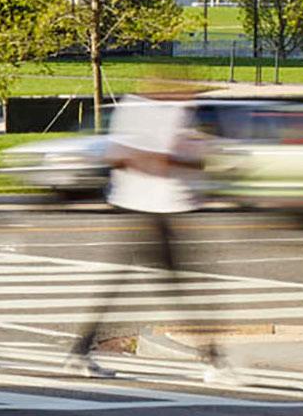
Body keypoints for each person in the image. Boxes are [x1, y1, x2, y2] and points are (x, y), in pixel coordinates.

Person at [66, 79, 220, 381]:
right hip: (155, 211)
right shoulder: (166, 113)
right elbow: (158, 159)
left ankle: (79, 352)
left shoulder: (132, 108)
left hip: (136, 207)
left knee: (121, 288)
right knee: (182, 290)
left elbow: (118, 155)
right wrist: (192, 160)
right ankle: (215, 361)